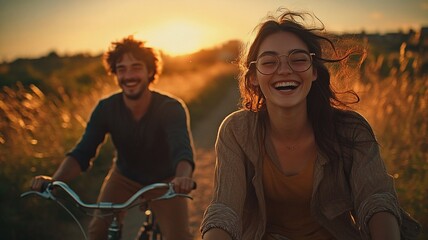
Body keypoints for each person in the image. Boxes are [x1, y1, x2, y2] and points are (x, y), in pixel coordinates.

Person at [200, 9, 420, 240]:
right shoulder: (236, 131)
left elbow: (376, 199)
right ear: (253, 76)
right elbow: (225, 209)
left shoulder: (351, 129)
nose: (284, 70)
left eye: (298, 59)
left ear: (314, 71)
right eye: (269, 62)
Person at [31, 36, 195, 240]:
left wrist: (182, 178)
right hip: (124, 176)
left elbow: (182, 150)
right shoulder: (105, 108)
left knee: (179, 236)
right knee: (98, 232)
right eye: (121, 69)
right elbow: (83, 152)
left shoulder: (170, 108)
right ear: (115, 73)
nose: (128, 75)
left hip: (166, 181)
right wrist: (55, 181)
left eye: (136, 67)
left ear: (150, 71)